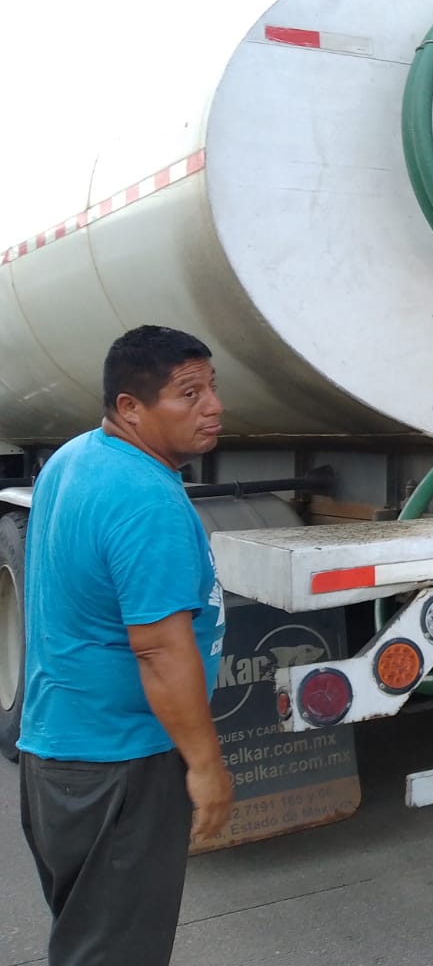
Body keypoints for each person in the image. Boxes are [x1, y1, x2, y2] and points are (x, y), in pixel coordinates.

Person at [17, 325, 231, 966]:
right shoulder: (144, 499)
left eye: (212, 388)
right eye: (188, 394)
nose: (213, 406)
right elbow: (160, 651)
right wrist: (205, 765)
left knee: (89, 938)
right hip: (120, 764)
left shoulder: (77, 456)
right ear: (130, 407)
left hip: (60, 752)